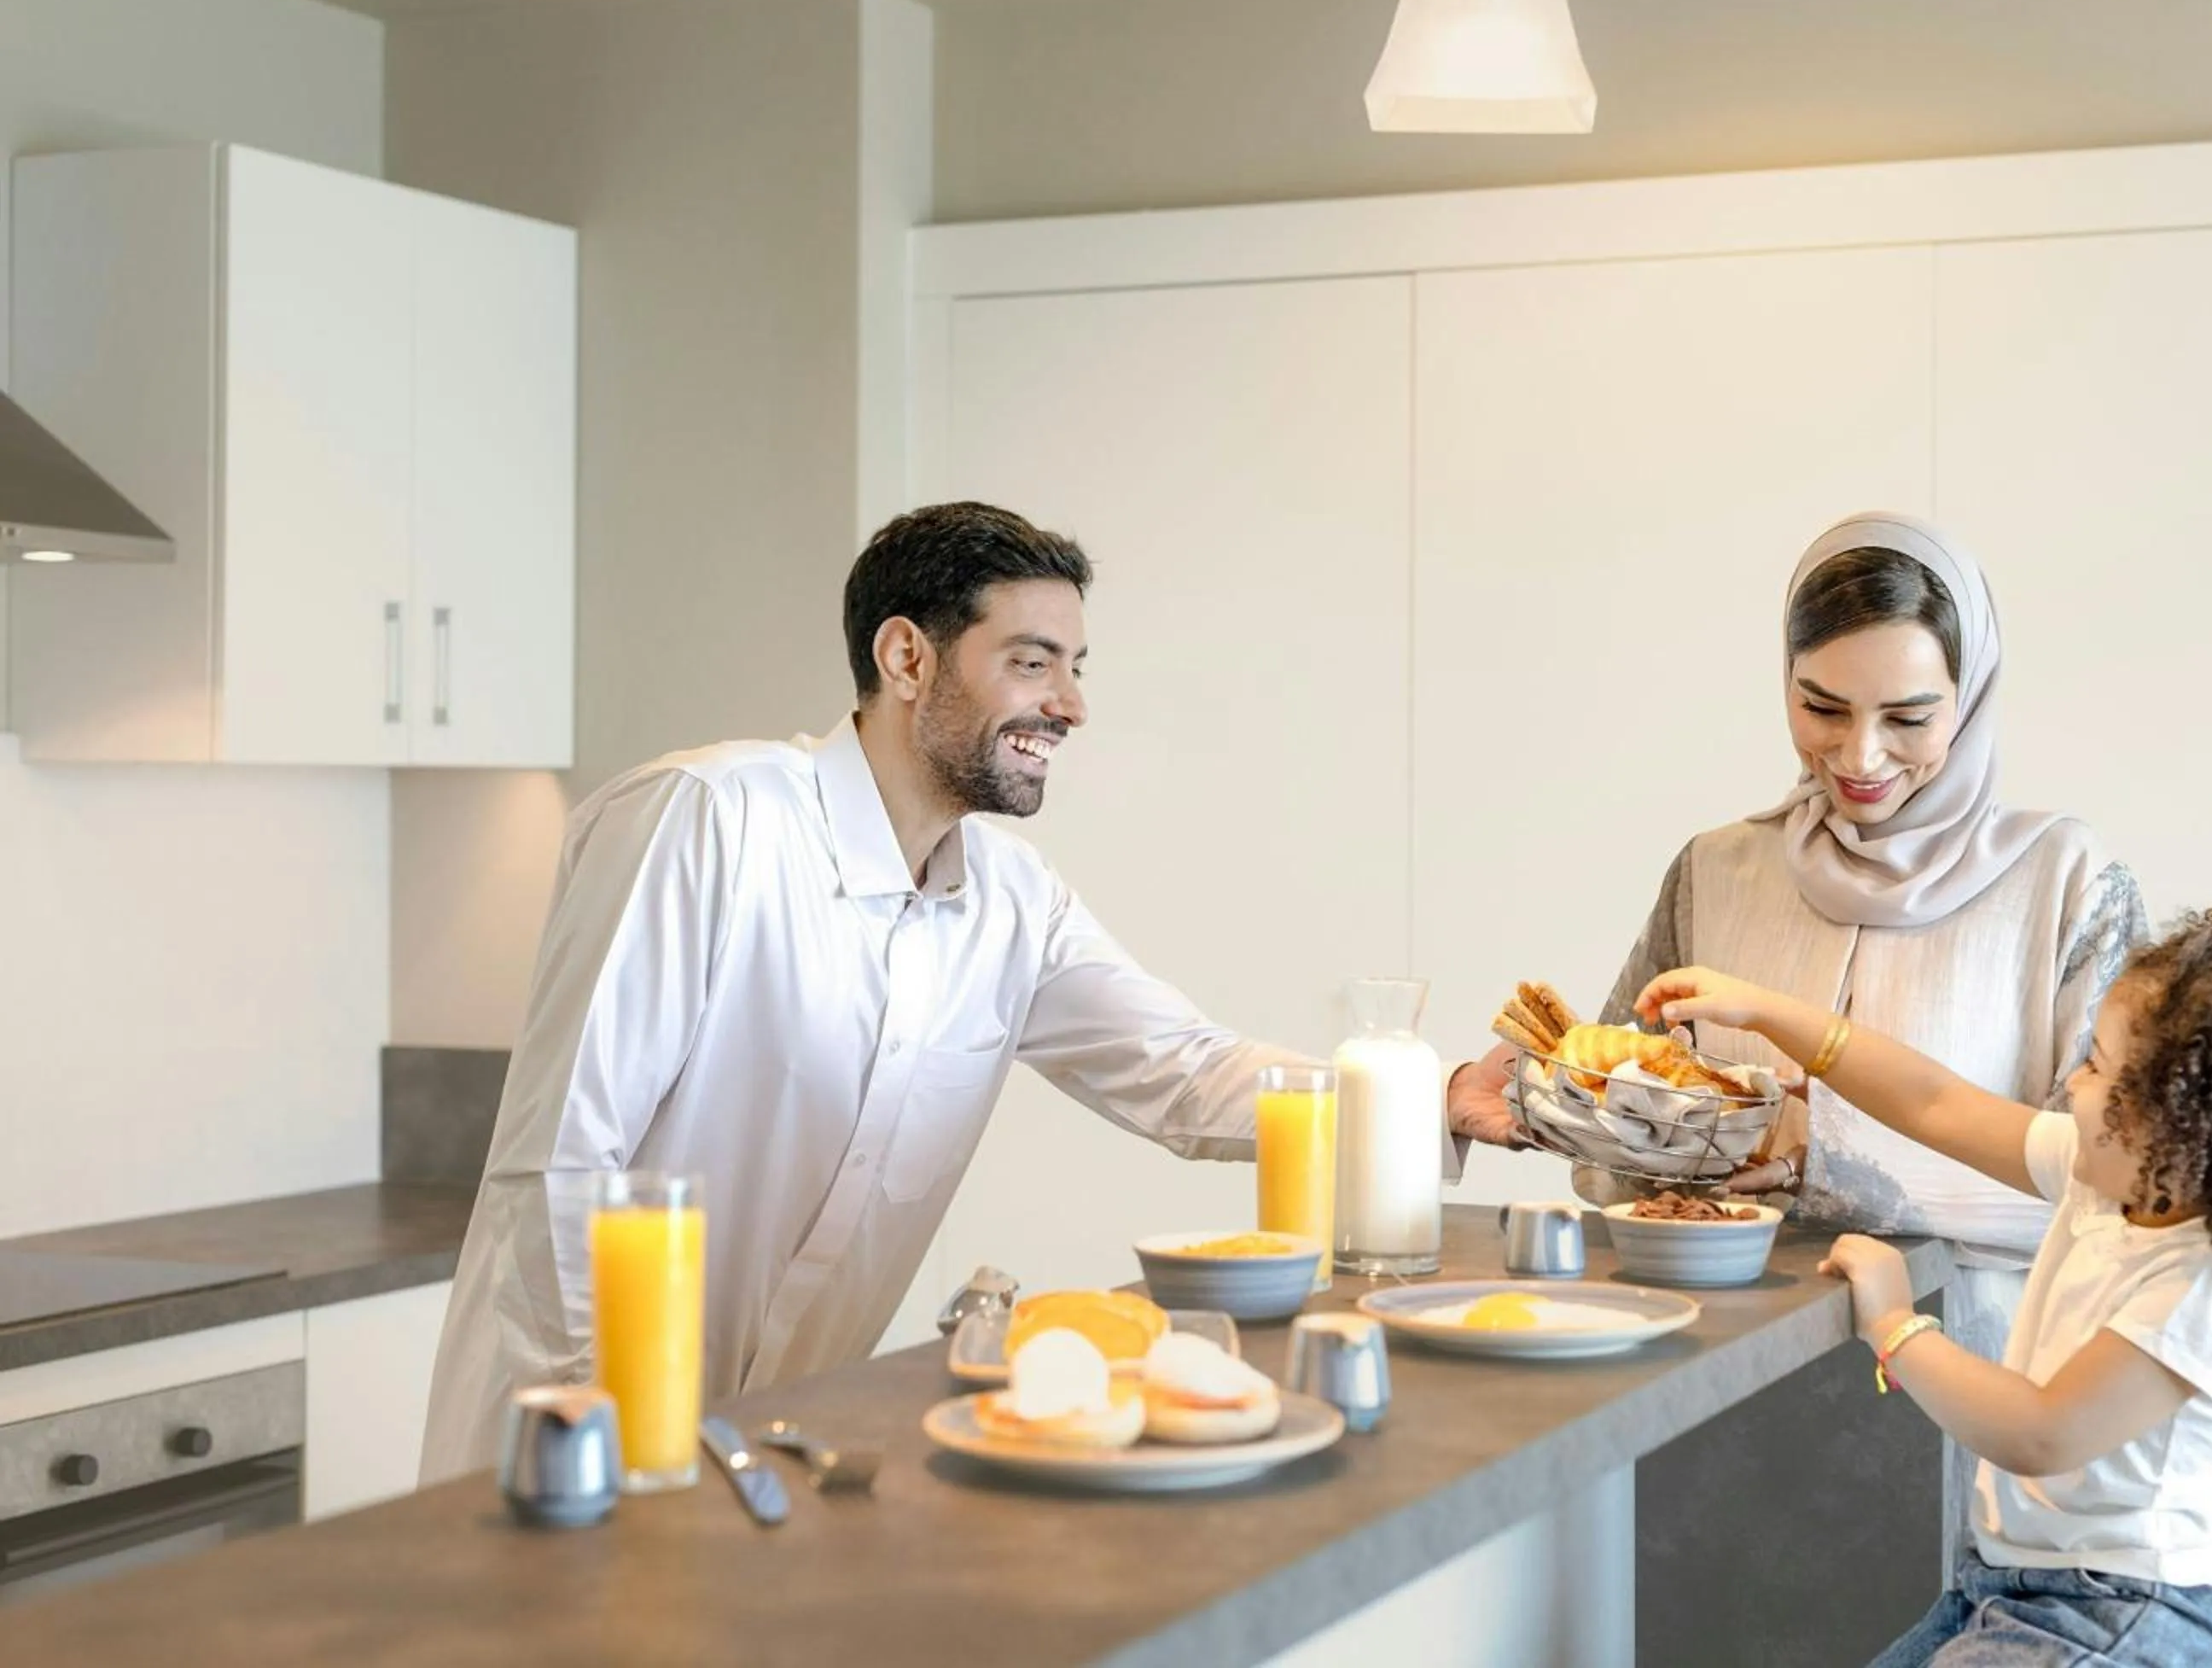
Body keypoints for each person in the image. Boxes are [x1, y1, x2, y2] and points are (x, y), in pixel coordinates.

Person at [422, 500, 1512, 1481]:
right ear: (907, 656)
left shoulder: (1009, 900)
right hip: (571, 1444)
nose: (1074, 703)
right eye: (1034, 662)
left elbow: (1182, 1070)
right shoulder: (705, 820)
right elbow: (562, 1162)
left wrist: (1438, 1095)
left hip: (766, 1448)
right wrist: (605, 1438)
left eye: (1078, 664)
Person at [1447, 511, 2145, 1540]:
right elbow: (1617, 1123)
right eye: (1822, 706)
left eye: (1910, 716)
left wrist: (1826, 1151)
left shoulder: (2064, 881)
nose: (1860, 754)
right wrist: (1542, 1109)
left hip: (1979, 1413)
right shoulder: (1717, 869)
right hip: (1721, 1399)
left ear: (1974, 691)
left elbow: (2114, 1191)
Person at [1635, 854, 2212, 1666]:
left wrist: (1894, 1325)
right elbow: (1935, 1103)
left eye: (2098, 1066)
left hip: (2133, 1618)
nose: (2074, 1082)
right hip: (2015, 1588)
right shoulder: (2103, 1185)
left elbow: (2040, 1432)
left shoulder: (2207, 1288)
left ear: (2181, 1126)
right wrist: (1771, 1013)